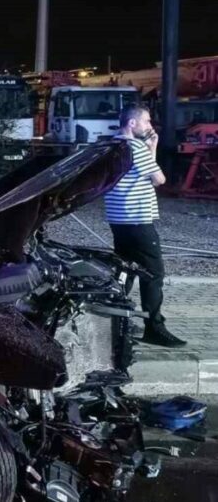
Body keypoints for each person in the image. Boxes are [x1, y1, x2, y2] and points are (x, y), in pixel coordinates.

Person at [105, 105, 185, 347]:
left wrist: (151, 148)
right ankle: (154, 327)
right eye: (147, 121)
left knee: (125, 271)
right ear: (132, 124)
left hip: (119, 219)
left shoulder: (112, 145)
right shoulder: (135, 147)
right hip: (138, 220)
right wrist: (152, 148)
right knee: (153, 274)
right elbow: (159, 179)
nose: (150, 126)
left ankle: (117, 325)